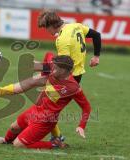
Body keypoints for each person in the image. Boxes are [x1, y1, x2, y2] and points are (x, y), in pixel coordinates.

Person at [0, 55, 91, 149]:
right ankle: (6, 141)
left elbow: (86, 107)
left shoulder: (73, 88)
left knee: (18, 145)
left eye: (55, 68)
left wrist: (81, 126)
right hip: (35, 110)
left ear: (63, 71)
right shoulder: (54, 69)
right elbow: (47, 56)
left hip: (46, 120)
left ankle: (55, 144)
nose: (52, 69)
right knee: (13, 128)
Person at [35, 10, 101, 141]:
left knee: (46, 107)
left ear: (51, 25)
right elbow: (97, 35)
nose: (46, 31)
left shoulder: (62, 40)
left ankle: (57, 138)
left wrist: (42, 69)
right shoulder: (75, 25)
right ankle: (56, 136)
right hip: (76, 75)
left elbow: (63, 68)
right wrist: (96, 56)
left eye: (45, 28)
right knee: (43, 104)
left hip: (68, 79)